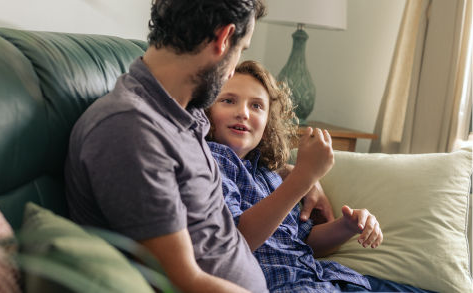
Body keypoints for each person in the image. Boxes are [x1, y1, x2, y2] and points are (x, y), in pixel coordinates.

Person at [64, 1, 334, 292]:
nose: (231, 73)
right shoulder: (130, 130)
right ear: (223, 39)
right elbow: (184, 281)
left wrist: (289, 172)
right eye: (241, 50)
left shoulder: (181, 115)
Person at [206, 60, 433, 293]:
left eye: (256, 106)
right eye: (228, 101)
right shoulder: (213, 160)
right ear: (206, 112)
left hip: (325, 276)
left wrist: (347, 226)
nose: (243, 113)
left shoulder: (267, 174)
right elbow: (235, 241)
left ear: (267, 124)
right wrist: (303, 178)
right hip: (291, 285)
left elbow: (303, 241)